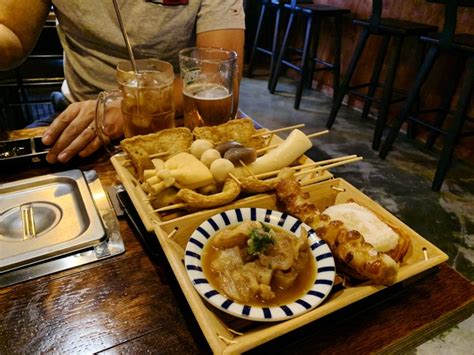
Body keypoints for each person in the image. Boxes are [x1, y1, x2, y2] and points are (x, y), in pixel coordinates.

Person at [0, 0, 245, 163]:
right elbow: (11, 33)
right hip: (76, 116)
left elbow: (220, 80)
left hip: (178, 121)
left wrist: (133, 103)